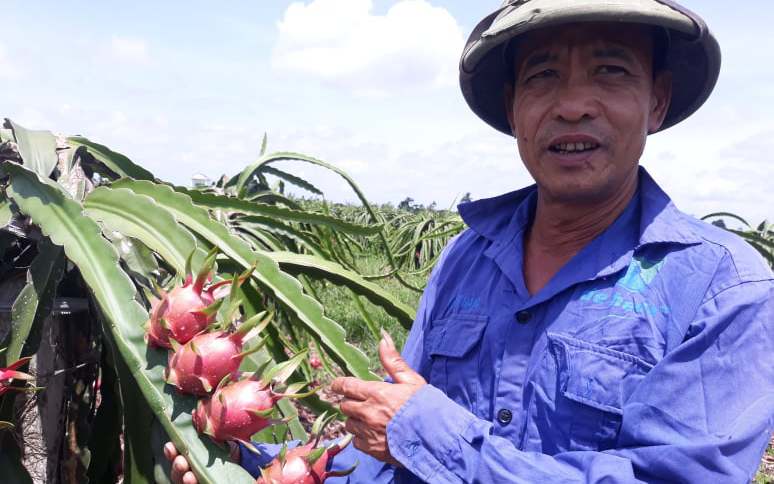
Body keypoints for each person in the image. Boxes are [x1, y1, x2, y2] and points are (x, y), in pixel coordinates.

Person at [165, 1, 774, 482]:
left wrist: (427, 434)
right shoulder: (468, 259)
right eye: (543, 77)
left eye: (611, 71)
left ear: (657, 101)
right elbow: (388, 460)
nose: (571, 106)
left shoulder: (725, 292)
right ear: (514, 109)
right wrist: (248, 461)